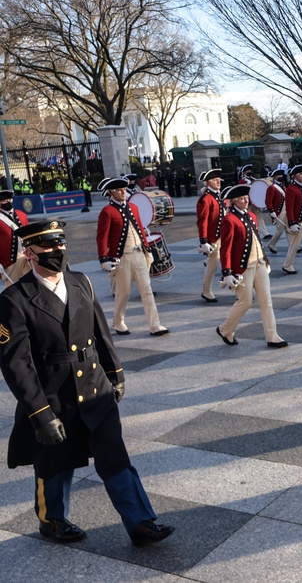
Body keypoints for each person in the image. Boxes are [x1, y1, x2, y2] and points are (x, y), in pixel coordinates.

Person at [0, 219, 174, 546]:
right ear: (31, 252)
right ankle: (52, 521)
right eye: (49, 246)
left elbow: (100, 334)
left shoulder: (80, 282)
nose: (58, 251)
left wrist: (115, 374)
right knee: (54, 465)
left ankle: (140, 522)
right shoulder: (14, 300)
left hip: (95, 390)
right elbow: (16, 365)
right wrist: (39, 414)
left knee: (115, 456)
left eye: (61, 244)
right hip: (54, 397)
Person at [216, 184, 287, 348]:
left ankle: (272, 336)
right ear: (234, 201)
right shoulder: (229, 220)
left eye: (246, 197)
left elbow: (256, 240)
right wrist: (227, 272)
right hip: (243, 267)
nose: (245, 200)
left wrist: (264, 260)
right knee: (245, 301)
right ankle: (225, 329)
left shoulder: (252, 216)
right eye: (241, 198)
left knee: (266, 301)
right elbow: (225, 248)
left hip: (259, 263)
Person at [96, 178, 168, 336]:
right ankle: (118, 321)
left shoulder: (133, 207)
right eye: (119, 190)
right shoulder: (107, 212)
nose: (123, 192)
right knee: (124, 292)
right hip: (122, 257)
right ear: (110, 193)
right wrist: (104, 259)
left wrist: (147, 248)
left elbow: (140, 229)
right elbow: (102, 237)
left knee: (147, 290)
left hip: (139, 253)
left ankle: (155, 325)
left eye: (124, 189)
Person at [196, 169, 226, 303]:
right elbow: (202, 221)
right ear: (208, 182)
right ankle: (206, 291)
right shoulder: (206, 199)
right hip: (214, 238)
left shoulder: (219, 195)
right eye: (215, 180)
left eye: (219, 179)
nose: (218, 182)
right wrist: (204, 241)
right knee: (213, 266)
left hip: (224, 235)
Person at [0, 188, 30, 287]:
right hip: (10, 261)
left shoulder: (22, 215)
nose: (7, 202)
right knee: (12, 288)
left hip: (27, 255)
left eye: (9, 200)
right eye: (4, 201)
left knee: (30, 284)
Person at [265, 168, 288, 254]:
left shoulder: (283, 186)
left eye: (281, 175)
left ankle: (293, 245)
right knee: (280, 230)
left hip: (286, 209)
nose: (281, 177)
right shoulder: (272, 188)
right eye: (279, 176)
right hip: (279, 211)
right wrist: (271, 211)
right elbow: (268, 201)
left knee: (288, 229)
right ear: (275, 178)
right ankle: (272, 243)